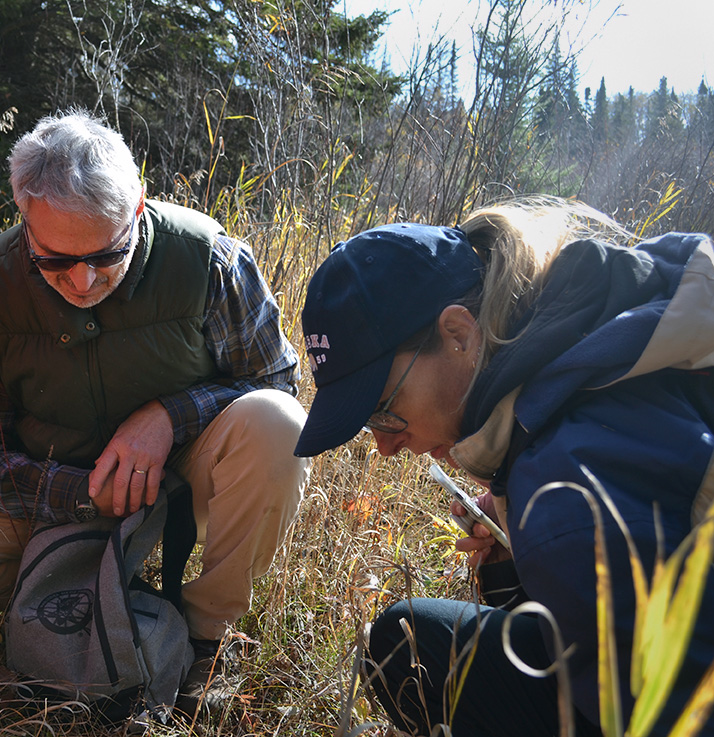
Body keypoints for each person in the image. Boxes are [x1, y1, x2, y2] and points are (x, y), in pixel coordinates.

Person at [0, 110, 310, 713]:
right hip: (57, 489)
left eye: (107, 255)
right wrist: (82, 494)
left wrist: (167, 417)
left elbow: (277, 382)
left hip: (183, 483)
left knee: (278, 426)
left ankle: (204, 635)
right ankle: (65, 593)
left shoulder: (209, 259)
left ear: (137, 207)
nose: (82, 281)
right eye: (55, 260)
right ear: (25, 220)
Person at [294, 197, 714, 736]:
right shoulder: (609, 323)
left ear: (459, 335)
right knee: (411, 641)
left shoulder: (564, 492)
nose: (385, 447)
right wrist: (517, 559)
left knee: (407, 649)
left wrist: (546, 532)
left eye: (382, 410)